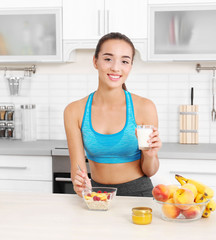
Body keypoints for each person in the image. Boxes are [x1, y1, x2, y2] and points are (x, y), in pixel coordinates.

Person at [64, 32, 162, 197]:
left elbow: (149, 170)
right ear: (95, 61)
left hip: (139, 195)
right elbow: (77, 169)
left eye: (124, 61)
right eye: (108, 59)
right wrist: (80, 185)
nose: (116, 68)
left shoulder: (145, 107)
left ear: (130, 66)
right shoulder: (74, 111)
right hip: (97, 195)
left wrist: (150, 155)